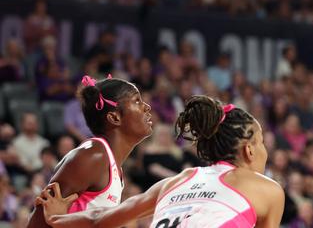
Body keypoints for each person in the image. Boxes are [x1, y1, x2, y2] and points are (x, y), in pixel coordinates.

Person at [35, 96, 285, 228]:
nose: (265, 150)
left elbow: (99, 219)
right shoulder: (266, 189)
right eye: (261, 142)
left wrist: (57, 219)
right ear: (249, 150)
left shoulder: (179, 180)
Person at [27, 75, 153, 227]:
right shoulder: (93, 156)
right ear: (114, 117)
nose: (147, 107)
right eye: (137, 101)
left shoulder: (111, 165)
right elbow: (37, 224)